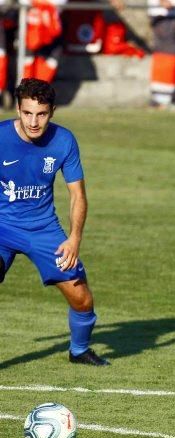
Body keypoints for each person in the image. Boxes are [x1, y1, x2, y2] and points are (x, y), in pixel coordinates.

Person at [0, 78, 108, 366]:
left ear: (52, 111)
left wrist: (74, 239)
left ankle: (79, 350)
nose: (34, 122)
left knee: (82, 298)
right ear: (18, 110)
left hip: (43, 230)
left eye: (42, 114)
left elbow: (77, 195)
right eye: (27, 113)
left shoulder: (63, 141)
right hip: (2, 227)